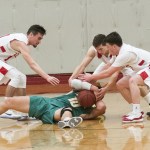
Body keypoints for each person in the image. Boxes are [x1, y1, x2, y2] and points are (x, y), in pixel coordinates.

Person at [78, 31, 150, 123]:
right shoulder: (118, 52)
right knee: (120, 84)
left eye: (108, 47)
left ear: (114, 46)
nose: (107, 50)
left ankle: (137, 115)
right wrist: (92, 76)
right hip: (144, 69)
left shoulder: (125, 54)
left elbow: (109, 72)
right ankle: (136, 110)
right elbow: (108, 66)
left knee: (133, 81)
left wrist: (91, 78)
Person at [0, 24, 60, 118]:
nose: (39, 42)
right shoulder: (21, 43)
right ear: (31, 34)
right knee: (16, 76)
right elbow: (32, 64)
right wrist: (47, 77)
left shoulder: (21, 39)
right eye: (39, 38)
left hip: (1, 61)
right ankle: (5, 108)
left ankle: (23, 113)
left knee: (22, 77)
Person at [0, 84, 106, 128]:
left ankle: (67, 122)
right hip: (44, 102)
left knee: (66, 110)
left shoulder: (89, 110)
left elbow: (101, 108)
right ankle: (66, 120)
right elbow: (74, 81)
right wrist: (92, 87)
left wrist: (98, 97)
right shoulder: (76, 91)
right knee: (8, 101)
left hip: (54, 112)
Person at [69, 34, 119, 99]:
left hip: (128, 69)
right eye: (97, 49)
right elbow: (82, 65)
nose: (99, 52)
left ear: (107, 45)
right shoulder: (93, 50)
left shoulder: (117, 53)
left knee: (123, 84)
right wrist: (71, 78)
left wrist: (105, 89)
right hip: (108, 64)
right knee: (89, 81)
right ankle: (75, 97)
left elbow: (114, 75)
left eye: (101, 49)